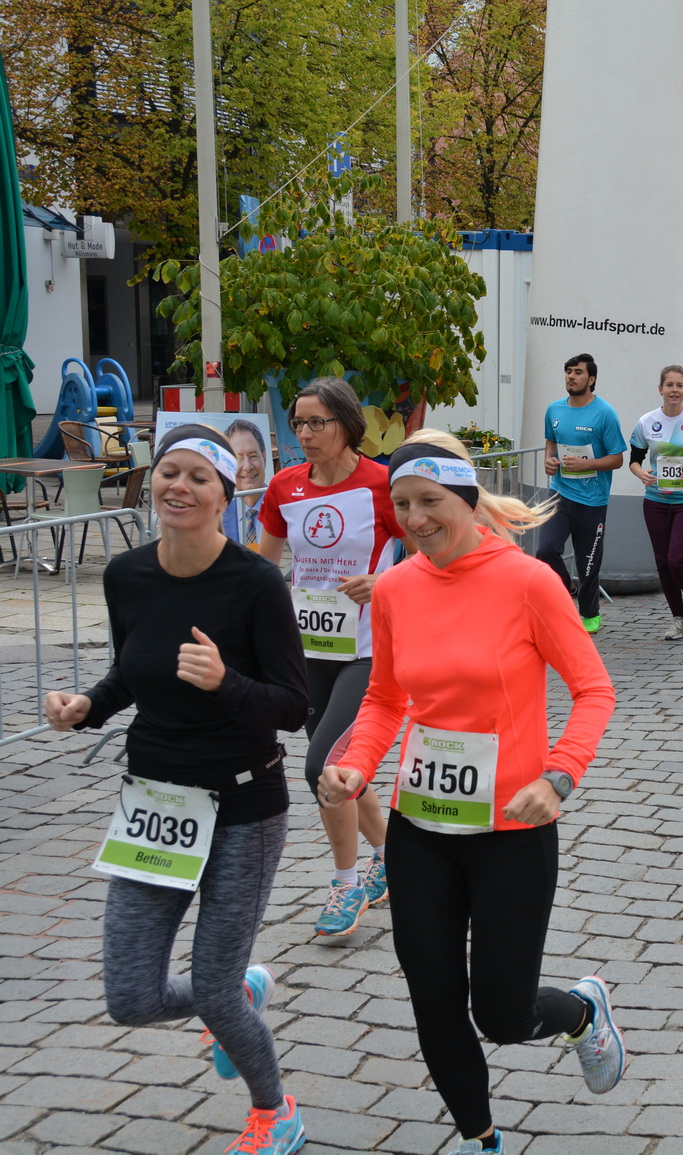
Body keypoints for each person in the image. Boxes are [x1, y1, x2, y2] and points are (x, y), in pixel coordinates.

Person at [319, 432, 626, 1155]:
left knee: (502, 1012)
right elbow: (386, 699)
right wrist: (356, 764)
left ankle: (581, 1010)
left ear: (465, 499)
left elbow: (593, 690)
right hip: (420, 825)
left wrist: (559, 777)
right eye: (401, 505)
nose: (416, 518)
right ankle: (478, 1136)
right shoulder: (395, 588)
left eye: (431, 502)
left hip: (512, 831)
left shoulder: (526, 582)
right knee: (433, 999)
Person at [46, 423, 311, 1155]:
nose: (179, 487)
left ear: (227, 496)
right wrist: (87, 708)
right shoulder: (127, 574)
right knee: (130, 996)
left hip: (242, 807)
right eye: (169, 472)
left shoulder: (255, 584)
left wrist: (227, 683)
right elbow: (134, 668)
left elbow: (295, 707)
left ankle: (274, 1109)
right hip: (156, 805)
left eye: (199, 477)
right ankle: (240, 996)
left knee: (214, 985)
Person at [256, 378, 400, 939]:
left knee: (324, 767)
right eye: (298, 423)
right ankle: (389, 857)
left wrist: (384, 582)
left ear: (348, 426)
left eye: (318, 423)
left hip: (368, 651)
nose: (306, 434)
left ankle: (345, 885)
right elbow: (262, 563)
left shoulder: (383, 484)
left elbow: (432, 554)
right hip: (306, 650)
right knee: (346, 765)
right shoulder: (284, 486)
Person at [537, 353, 627, 634]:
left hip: (592, 500)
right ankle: (564, 595)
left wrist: (587, 464)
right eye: (568, 371)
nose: (571, 376)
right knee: (545, 550)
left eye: (577, 372)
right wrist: (549, 462)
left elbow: (617, 459)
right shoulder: (554, 410)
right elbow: (551, 444)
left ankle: (589, 611)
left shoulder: (605, 413)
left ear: (591, 379)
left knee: (587, 563)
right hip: (560, 493)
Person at [629, 365, 683, 639]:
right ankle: (679, 620)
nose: (675, 390)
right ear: (661, 389)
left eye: (680, 385)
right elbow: (634, 459)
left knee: (676, 560)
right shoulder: (646, 421)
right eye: (670, 385)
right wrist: (641, 474)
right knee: (662, 564)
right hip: (655, 500)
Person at [221, 420, 268, 546]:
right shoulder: (217, 518)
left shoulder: (286, 510)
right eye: (238, 458)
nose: (247, 467)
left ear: (264, 458)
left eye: (253, 456)